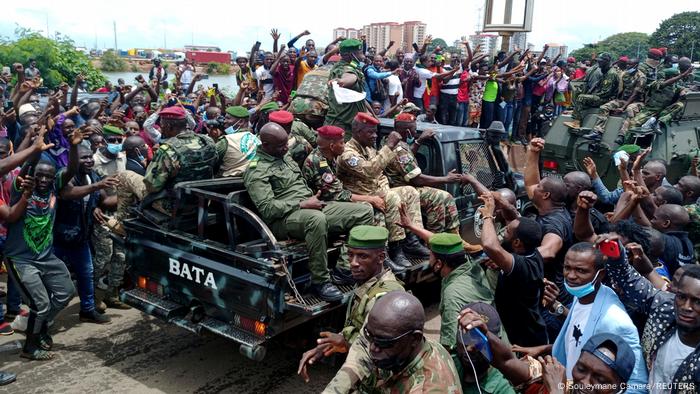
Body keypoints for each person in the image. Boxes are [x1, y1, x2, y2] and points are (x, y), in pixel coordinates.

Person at [243, 122, 373, 301]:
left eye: (286, 143)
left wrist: (312, 201)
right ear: (265, 145)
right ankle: (320, 281)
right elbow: (268, 209)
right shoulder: (256, 170)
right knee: (316, 219)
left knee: (364, 211)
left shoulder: (284, 157)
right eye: (281, 146)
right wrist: (302, 204)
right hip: (284, 219)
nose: (286, 148)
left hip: (311, 206)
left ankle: (344, 268)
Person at [4, 126, 85, 361]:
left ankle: (38, 327)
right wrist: (36, 149)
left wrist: (74, 146)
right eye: (40, 175)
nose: (43, 179)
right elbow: (29, 167)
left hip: (46, 256)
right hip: (21, 258)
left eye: (48, 176)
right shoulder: (23, 187)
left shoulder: (54, 187)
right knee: (40, 302)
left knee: (65, 292)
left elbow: (70, 170)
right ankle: (30, 347)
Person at [300, 225, 404, 390]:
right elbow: (360, 328)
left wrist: (345, 342)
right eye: (350, 255)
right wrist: (327, 346)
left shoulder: (383, 300)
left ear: (381, 257)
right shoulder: (368, 283)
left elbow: (371, 351)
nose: (353, 263)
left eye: (362, 256)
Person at [459, 306, 638, 394]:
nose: (585, 382)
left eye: (600, 379)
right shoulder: (561, 384)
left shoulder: (556, 387)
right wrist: (485, 333)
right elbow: (506, 361)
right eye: (581, 369)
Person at [604, 234, 700, 392]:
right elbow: (628, 278)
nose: (687, 307)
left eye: (698, 301)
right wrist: (615, 251)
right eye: (682, 297)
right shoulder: (664, 307)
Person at [547, 243, 648, 393]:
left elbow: (638, 385)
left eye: (580, 270)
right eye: (567, 268)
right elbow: (581, 329)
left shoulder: (615, 321)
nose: (571, 275)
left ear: (600, 274)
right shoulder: (582, 295)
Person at [336, 113, 430, 269]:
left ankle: (411, 241)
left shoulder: (370, 149)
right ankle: (392, 250)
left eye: (375, 132)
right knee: (392, 198)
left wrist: (384, 190)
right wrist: (389, 145)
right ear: (358, 132)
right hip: (360, 197)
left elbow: (380, 174)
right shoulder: (348, 153)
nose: (374, 136)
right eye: (370, 132)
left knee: (410, 191)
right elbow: (370, 171)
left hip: (377, 192)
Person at [114, 106, 218, 225]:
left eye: (162, 125)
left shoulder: (168, 149)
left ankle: (121, 224)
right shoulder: (207, 141)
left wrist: (149, 167)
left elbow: (152, 186)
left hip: (173, 205)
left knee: (124, 176)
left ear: (168, 126)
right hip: (202, 201)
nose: (161, 128)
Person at [53, 145, 116, 324]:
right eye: (83, 158)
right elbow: (68, 194)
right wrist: (97, 185)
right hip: (59, 238)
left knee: (86, 274)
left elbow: (106, 202)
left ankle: (87, 310)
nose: (89, 160)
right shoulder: (64, 176)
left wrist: (131, 194)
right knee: (51, 279)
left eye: (90, 157)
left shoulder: (92, 176)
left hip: (81, 238)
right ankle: (43, 317)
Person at [355, 291, 462, 393]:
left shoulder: (426, 388)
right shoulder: (407, 350)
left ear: (415, 339)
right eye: (368, 334)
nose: (373, 347)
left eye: (384, 342)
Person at [478, 193, 549, 347]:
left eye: (507, 232)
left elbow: (490, 245)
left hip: (527, 339)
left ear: (517, 242)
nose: (504, 233)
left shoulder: (523, 266)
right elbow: (514, 216)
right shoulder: (531, 252)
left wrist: (488, 216)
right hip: (525, 330)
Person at [385, 113, 461, 233]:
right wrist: (446, 179)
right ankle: (434, 238)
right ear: (408, 132)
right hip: (403, 190)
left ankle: (455, 235)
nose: (416, 132)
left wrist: (419, 141)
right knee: (438, 197)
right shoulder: (399, 149)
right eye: (414, 129)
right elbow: (417, 179)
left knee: (447, 197)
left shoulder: (392, 141)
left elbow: (407, 158)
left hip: (406, 187)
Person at [427, 232, 494, 349]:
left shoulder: (451, 295)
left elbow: (451, 345)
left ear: (438, 264)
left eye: (430, 256)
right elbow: (446, 243)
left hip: (481, 355)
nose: (428, 259)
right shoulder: (471, 264)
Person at [91, 124, 130, 310]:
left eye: (119, 140)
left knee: (121, 256)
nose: (116, 143)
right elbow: (94, 191)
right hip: (103, 214)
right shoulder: (94, 161)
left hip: (121, 213)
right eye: (112, 140)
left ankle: (112, 294)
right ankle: (91, 297)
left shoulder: (122, 155)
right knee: (103, 257)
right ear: (104, 141)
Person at [453, 302, 517, 394]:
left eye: (480, 342)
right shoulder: (446, 363)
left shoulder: (503, 390)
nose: (469, 348)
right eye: (466, 338)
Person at [565, 53, 619, 130]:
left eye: (600, 61)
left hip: (607, 99)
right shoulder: (605, 71)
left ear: (606, 61)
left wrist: (592, 95)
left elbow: (605, 93)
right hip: (601, 96)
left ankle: (576, 122)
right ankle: (576, 114)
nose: (598, 63)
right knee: (582, 96)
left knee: (581, 97)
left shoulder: (611, 73)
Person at [325, 39, 367, 135]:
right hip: (341, 126)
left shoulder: (353, 66)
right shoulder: (342, 68)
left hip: (349, 124)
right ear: (351, 55)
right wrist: (342, 81)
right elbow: (350, 77)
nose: (363, 56)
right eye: (360, 53)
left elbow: (360, 95)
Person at [216, 106, 259, 177]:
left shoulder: (226, 141)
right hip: (251, 179)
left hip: (227, 183)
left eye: (228, 118)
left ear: (241, 122)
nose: (224, 121)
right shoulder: (256, 139)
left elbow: (211, 161)